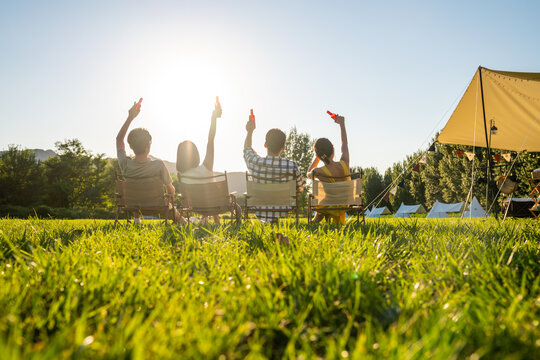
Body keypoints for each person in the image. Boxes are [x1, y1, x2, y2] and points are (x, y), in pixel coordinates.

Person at [116, 101, 184, 224]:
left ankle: (137, 219)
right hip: (158, 207)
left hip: (133, 206)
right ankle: (184, 222)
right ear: (148, 146)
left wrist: (130, 117)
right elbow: (171, 190)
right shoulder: (158, 165)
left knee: (138, 196)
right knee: (175, 211)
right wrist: (167, 203)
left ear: (130, 146)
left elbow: (119, 139)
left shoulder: (125, 165)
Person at [176, 100, 240, 225]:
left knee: (207, 191)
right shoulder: (206, 167)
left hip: (196, 207)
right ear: (196, 154)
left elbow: (187, 198)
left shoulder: (182, 177)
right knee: (211, 188)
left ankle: (204, 219)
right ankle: (216, 221)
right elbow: (211, 138)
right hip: (214, 204)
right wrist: (214, 118)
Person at [243, 114, 304, 224]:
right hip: (284, 208)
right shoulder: (292, 166)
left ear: (265, 144)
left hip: (260, 209)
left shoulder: (255, 162)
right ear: (283, 147)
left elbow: (247, 150)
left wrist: (250, 131)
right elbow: (300, 188)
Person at [307, 113, 350, 224]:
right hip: (344, 204)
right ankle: (318, 219)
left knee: (323, 198)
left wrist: (316, 159)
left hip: (329, 205)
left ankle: (316, 220)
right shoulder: (345, 162)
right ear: (333, 150)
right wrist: (342, 124)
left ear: (318, 155)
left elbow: (308, 173)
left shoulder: (319, 171)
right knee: (326, 198)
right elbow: (344, 143)